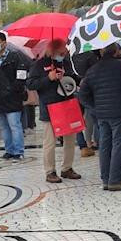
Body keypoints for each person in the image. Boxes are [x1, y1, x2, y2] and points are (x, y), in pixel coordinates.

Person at [76, 44, 121, 191]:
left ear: (102, 51)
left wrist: (94, 108)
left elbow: (82, 94)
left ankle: (106, 179)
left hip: (102, 115)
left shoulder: (92, 70)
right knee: (119, 145)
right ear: (116, 52)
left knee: (105, 147)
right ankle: (115, 180)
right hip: (119, 112)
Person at [27, 39, 83, 184]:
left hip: (67, 103)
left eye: (65, 52)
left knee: (70, 139)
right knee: (50, 142)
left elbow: (73, 76)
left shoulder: (65, 62)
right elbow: (31, 84)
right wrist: (48, 78)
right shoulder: (39, 64)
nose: (63, 55)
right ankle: (50, 171)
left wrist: (78, 80)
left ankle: (67, 168)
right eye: (61, 53)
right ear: (53, 51)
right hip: (50, 106)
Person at [0, 32, 32, 158]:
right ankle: (9, 150)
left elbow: (21, 76)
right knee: (3, 127)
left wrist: (13, 90)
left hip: (12, 98)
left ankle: (18, 151)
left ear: (4, 43)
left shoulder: (15, 57)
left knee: (14, 125)